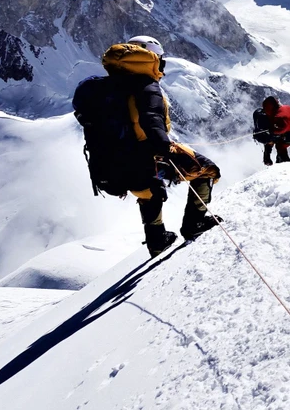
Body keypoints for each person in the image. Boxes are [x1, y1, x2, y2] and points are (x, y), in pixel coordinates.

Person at [73, 36, 223, 257]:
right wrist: (166, 149)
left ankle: (156, 240)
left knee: (147, 191)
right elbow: (152, 121)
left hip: (114, 165)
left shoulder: (100, 87)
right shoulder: (145, 85)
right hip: (147, 158)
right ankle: (195, 223)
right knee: (207, 170)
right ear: (149, 58)